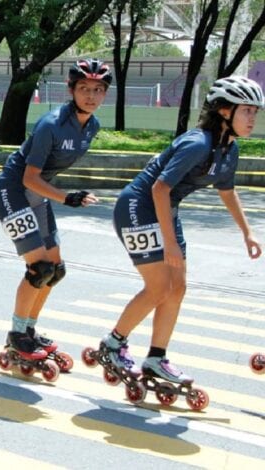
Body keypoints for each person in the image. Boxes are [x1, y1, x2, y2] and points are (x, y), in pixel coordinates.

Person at [101, 75, 263, 384]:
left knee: (178, 288)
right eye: (247, 111)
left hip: (165, 209)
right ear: (224, 111)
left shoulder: (229, 149)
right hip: (138, 205)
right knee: (160, 287)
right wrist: (171, 243)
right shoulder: (198, 144)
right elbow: (159, 189)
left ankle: (156, 358)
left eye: (256, 112)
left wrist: (247, 232)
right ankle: (112, 344)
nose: (253, 118)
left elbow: (227, 192)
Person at [0, 59, 109, 363]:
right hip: (13, 191)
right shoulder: (51, 124)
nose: (91, 96)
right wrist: (67, 197)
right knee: (39, 268)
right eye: (84, 88)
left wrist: (61, 196)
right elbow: (30, 177)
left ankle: (28, 329)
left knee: (55, 270)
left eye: (98, 89)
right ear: (71, 90)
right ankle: (17, 336)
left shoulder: (91, 126)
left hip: (36, 194)